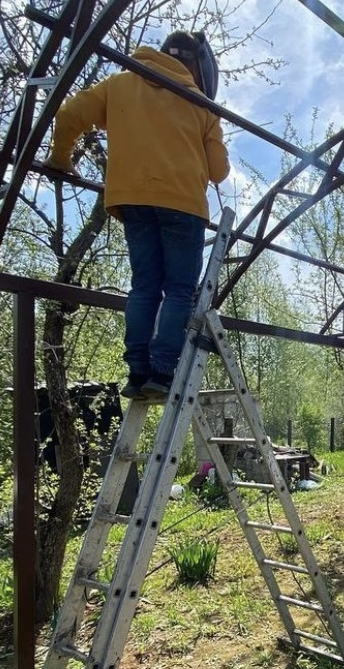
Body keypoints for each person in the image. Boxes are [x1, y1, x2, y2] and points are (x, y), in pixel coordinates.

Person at [45, 31, 230, 400]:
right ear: (196, 65)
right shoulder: (200, 104)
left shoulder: (120, 84)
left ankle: (137, 371)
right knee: (179, 289)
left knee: (144, 286)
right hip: (184, 205)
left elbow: (69, 113)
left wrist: (60, 158)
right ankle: (162, 372)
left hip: (133, 201)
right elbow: (219, 171)